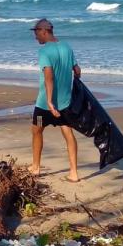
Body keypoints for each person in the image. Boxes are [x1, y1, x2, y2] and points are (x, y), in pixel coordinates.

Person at [29, 18, 82, 182]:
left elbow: (48, 77)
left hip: (44, 104)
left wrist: (50, 102)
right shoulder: (66, 46)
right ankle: (74, 173)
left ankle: (36, 167)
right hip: (64, 102)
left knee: (37, 129)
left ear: (44, 31)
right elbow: (78, 71)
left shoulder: (45, 51)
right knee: (67, 131)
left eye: (36, 33)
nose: (35, 36)